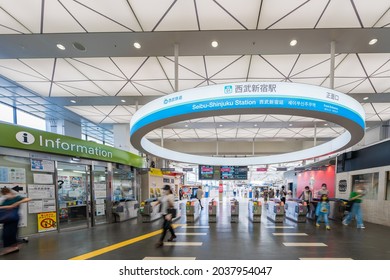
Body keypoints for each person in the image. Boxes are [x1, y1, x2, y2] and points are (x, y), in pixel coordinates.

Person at [0, 187, 31, 255]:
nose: (5, 195)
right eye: (4, 194)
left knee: (11, 233)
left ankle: (13, 248)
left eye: (6, 193)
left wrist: (17, 203)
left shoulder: (16, 198)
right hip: (6, 219)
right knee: (5, 234)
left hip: (13, 218)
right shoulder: (5, 200)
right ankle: (11, 248)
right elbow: (2, 207)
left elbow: (28, 199)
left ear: (9, 192)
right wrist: (8, 207)